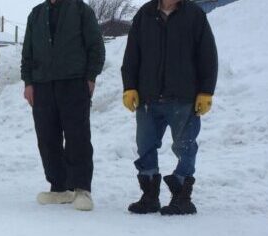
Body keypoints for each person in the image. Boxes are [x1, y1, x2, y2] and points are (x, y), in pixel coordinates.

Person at [121, 0, 217, 215]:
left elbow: (207, 55)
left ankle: (182, 198)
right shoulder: (144, 14)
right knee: (145, 146)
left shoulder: (194, 15)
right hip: (148, 97)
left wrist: (206, 91)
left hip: (183, 97)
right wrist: (129, 87)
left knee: (185, 146)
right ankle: (149, 196)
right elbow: (132, 55)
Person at [21, 0, 105, 211]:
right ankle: (59, 187)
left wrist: (91, 76)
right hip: (42, 85)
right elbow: (27, 52)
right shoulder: (37, 14)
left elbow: (95, 45)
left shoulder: (80, 10)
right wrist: (28, 82)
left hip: (74, 82)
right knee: (47, 138)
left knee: (78, 137)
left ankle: (81, 188)